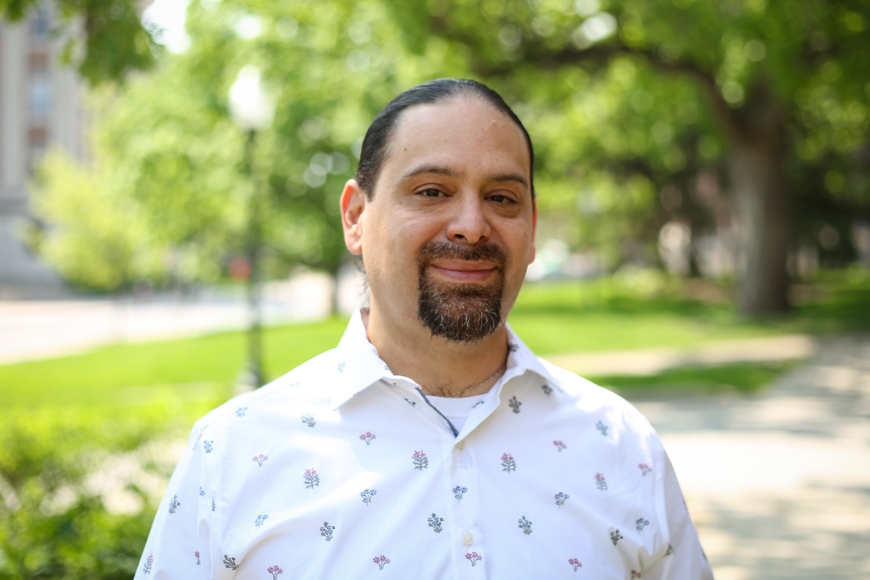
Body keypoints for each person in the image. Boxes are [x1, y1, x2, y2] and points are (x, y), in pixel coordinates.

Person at [136, 78, 714, 579]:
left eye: (502, 198)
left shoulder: (622, 446)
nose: (470, 225)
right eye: (432, 191)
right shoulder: (234, 454)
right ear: (356, 217)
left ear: (532, 230)